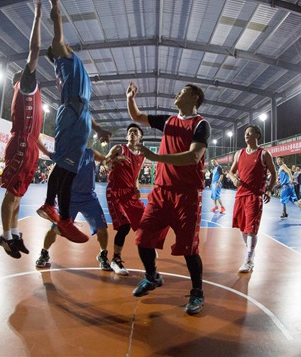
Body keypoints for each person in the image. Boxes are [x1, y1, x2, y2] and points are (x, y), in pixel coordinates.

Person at [126, 80, 210, 316]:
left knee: (189, 249)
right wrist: (130, 98)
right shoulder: (168, 121)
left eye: (183, 91)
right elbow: (137, 116)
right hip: (161, 192)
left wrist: (156, 157)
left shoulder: (201, 125)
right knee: (143, 239)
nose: (177, 94)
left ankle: (197, 292)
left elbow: (194, 157)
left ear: (194, 97)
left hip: (187, 195)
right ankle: (152, 277)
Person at [35, 0, 111, 244]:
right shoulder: (63, 58)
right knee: (65, 166)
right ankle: (53, 207)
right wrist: (54, 0)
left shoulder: (76, 70)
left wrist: (97, 129)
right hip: (72, 114)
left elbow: (86, 108)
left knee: (69, 168)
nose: (66, 43)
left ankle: (60, 214)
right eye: (62, 44)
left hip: (80, 115)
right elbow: (57, 29)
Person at [0, 0, 52, 259]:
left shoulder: (34, 95)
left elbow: (36, 135)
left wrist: (48, 152)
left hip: (30, 144)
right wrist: (38, 16)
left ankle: (15, 233)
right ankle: (5, 236)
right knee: (12, 193)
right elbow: (35, 49)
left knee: (18, 194)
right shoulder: (25, 85)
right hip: (20, 144)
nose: (33, 72)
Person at [35, 148, 123, 269]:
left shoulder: (91, 153)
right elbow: (54, 174)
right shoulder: (67, 153)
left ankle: (102, 254)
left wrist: (112, 159)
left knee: (102, 229)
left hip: (89, 198)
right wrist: (51, 195)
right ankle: (44, 253)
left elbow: (105, 158)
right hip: (69, 199)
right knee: (55, 229)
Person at [225, 125, 277, 273]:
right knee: (243, 228)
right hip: (240, 195)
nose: (246, 135)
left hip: (254, 196)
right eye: (245, 133)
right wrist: (234, 179)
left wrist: (269, 190)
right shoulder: (239, 153)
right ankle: (251, 253)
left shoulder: (264, 154)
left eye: (250, 132)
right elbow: (231, 172)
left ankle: (249, 259)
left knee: (251, 229)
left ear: (257, 135)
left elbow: (274, 174)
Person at [105, 124, 146, 276]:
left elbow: (136, 176)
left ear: (140, 137)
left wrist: (136, 187)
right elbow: (105, 162)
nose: (132, 133)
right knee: (124, 226)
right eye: (130, 132)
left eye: (135, 132)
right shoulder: (119, 148)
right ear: (127, 136)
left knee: (146, 222)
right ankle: (115, 260)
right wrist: (115, 159)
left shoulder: (142, 155)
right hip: (115, 191)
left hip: (130, 193)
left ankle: (147, 249)